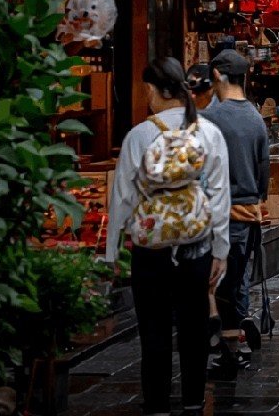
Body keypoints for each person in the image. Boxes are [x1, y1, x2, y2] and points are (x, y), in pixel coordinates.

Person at [105, 58, 230, 416]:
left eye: (147, 90)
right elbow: (219, 197)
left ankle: (157, 406)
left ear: (160, 91)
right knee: (193, 331)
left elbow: (123, 198)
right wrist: (220, 250)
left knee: (153, 333)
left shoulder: (139, 135)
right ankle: (193, 403)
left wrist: (112, 252)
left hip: (151, 249)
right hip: (197, 247)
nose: (146, 98)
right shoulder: (208, 132)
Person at [201, 49, 270, 377]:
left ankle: (225, 347)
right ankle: (233, 348)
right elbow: (263, 174)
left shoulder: (211, 118)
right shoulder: (256, 117)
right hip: (248, 213)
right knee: (236, 280)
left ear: (216, 75)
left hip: (217, 213)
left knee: (214, 281)